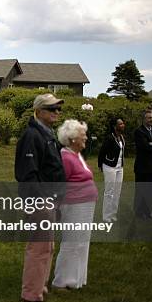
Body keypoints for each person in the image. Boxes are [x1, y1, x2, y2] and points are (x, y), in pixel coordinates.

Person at [14, 93, 66, 302]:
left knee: (47, 246)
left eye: (58, 109)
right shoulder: (31, 136)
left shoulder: (47, 134)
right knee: (39, 246)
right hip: (40, 200)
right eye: (52, 109)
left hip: (50, 198)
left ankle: (40, 286)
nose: (57, 113)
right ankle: (31, 294)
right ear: (39, 111)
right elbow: (28, 174)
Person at [52, 120, 98, 290]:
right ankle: (62, 281)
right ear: (72, 139)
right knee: (72, 242)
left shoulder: (76, 155)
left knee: (82, 242)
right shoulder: (66, 157)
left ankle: (77, 278)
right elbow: (60, 184)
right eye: (82, 134)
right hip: (74, 206)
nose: (85, 137)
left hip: (84, 205)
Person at [133, 109, 152, 219]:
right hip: (143, 167)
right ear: (144, 119)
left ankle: (148, 211)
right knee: (142, 190)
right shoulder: (139, 131)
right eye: (149, 118)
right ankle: (139, 211)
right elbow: (144, 146)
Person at [98, 117, 125, 223]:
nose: (123, 125)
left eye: (123, 123)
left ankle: (113, 214)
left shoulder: (122, 137)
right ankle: (106, 216)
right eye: (120, 124)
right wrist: (101, 165)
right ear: (115, 126)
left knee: (117, 192)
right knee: (109, 191)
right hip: (109, 167)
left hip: (120, 167)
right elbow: (102, 152)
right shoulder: (109, 138)